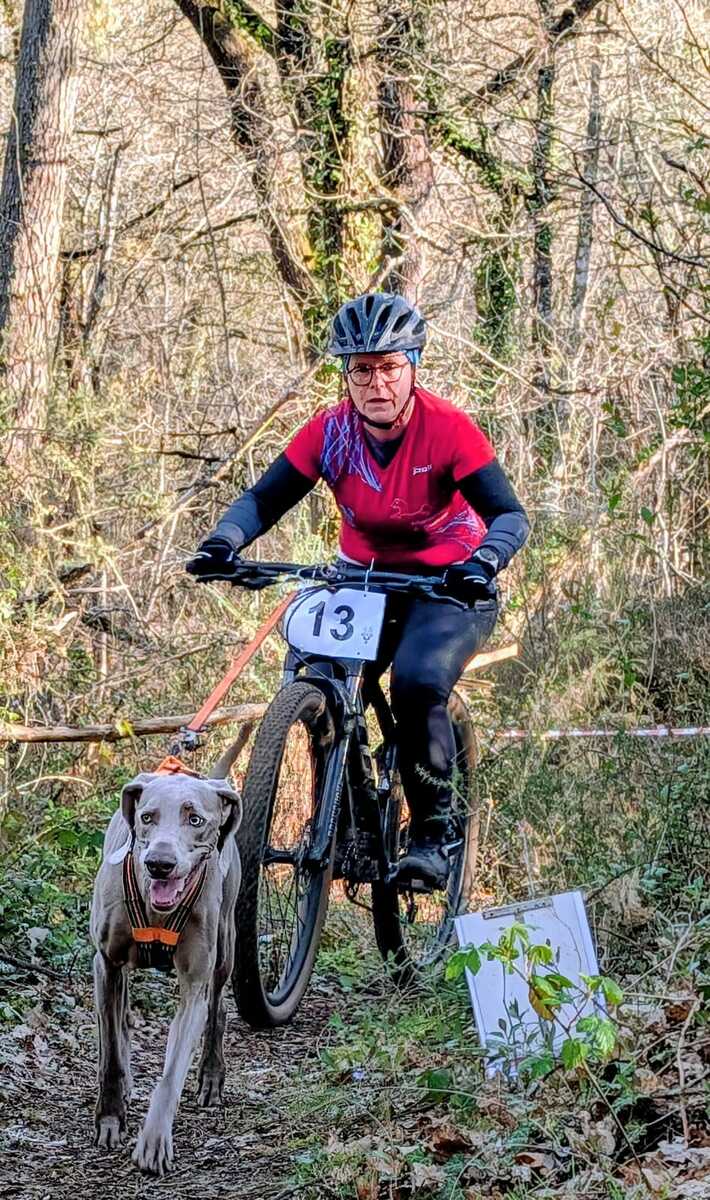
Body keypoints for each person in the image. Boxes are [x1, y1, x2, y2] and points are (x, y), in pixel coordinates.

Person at [187, 292, 529, 887]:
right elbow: (265, 499)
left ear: (412, 367)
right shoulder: (330, 432)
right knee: (321, 674)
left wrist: (484, 562)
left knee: (416, 681)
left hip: (449, 582)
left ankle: (434, 835)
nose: (377, 384)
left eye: (390, 367)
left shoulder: (448, 429)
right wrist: (223, 543)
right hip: (364, 577)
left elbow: (509, 515)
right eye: (362, 370)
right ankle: (350, 823)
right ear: (346, 375)